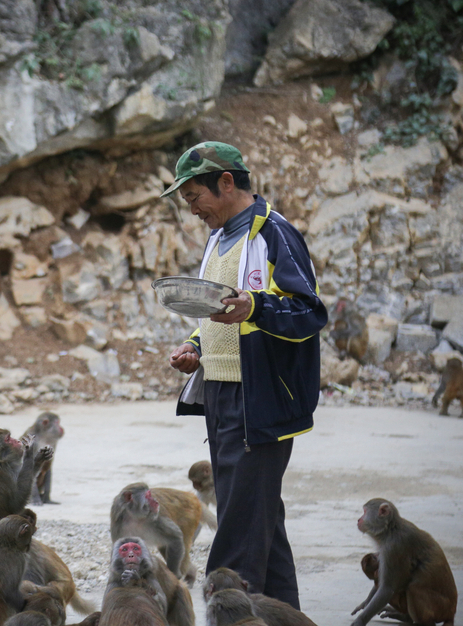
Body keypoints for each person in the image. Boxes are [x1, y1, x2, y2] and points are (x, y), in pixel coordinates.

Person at [162, 141, 327, 609]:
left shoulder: (275, 234)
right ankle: (285, 616)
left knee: (236, 536)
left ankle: (227, 612)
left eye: (195, 197)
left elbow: (309, 313)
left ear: (227, 183)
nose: (193, 210)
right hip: (222, 397)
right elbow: (216, 314)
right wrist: (195, 348)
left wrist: (255, 306)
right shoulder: (219, 238)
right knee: (261, 523)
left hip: (260, 402)